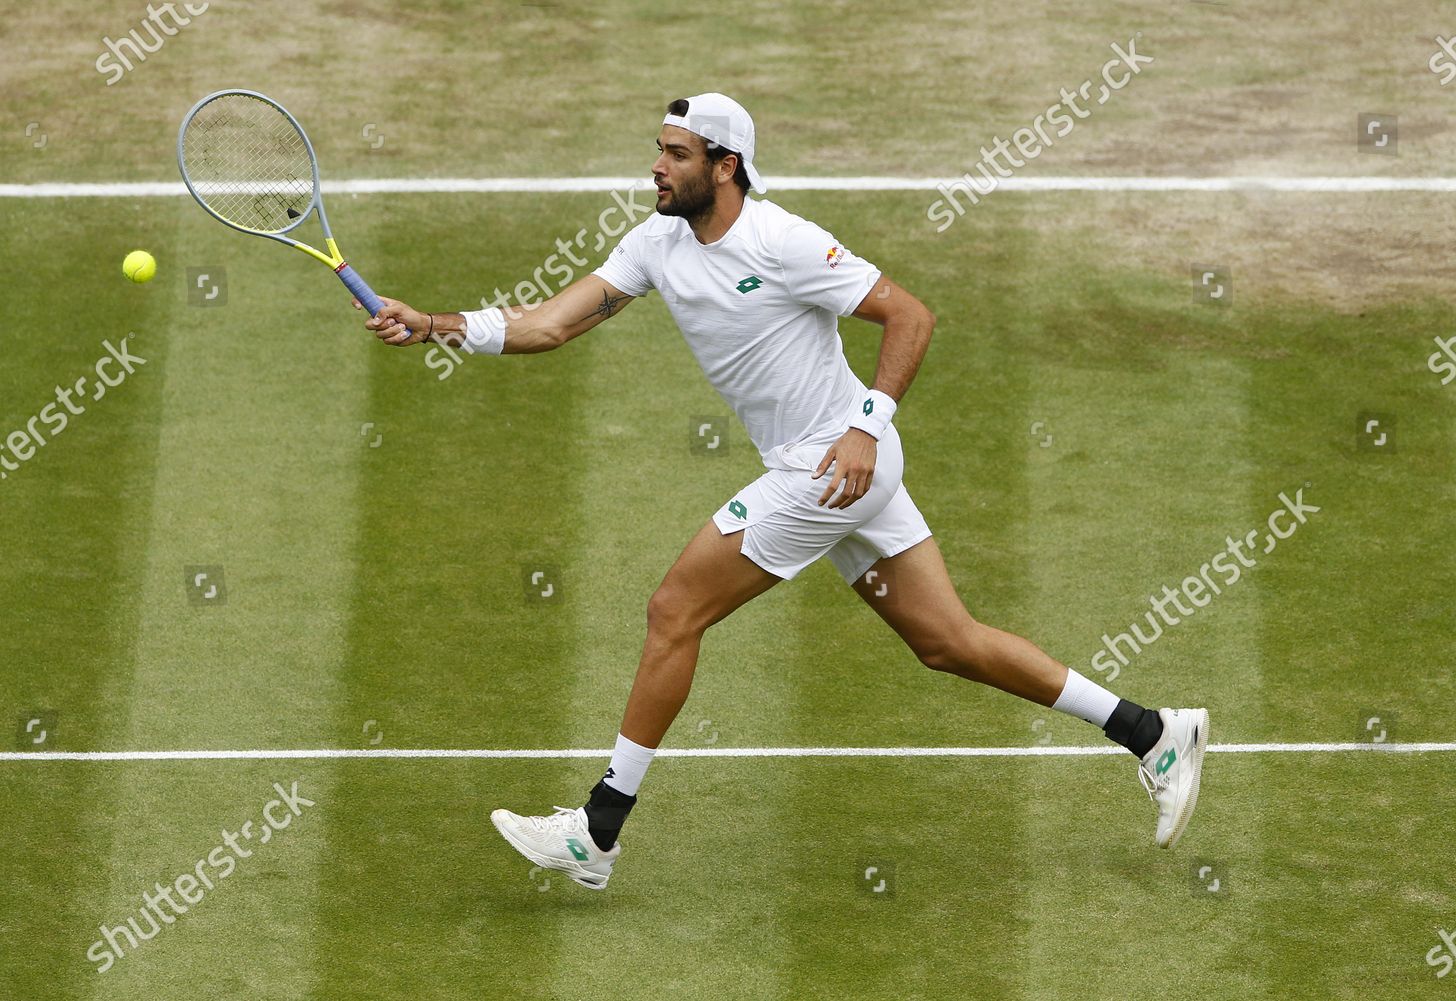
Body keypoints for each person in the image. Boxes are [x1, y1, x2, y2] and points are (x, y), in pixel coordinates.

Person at [357, 92, 1208, 890]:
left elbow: (911, 316)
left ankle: (597, 830)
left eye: (676, 154)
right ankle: (1152, 731)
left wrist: (866, 425)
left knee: (673, 610)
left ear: (724, 166)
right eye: (658, 149)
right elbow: (549, 323)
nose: (656, 166)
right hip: (834, 471)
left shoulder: (784, 241)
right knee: (948, 641)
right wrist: (432, 325)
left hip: (832, 467)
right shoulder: (654, 244)